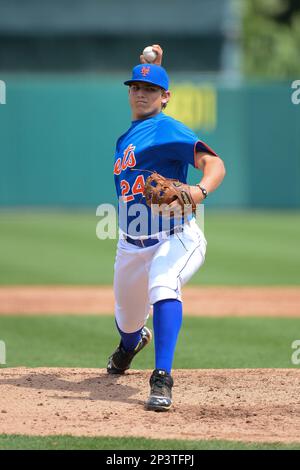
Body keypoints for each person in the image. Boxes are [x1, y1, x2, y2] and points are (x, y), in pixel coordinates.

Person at [107, 45, 226, 412]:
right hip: (130, 244)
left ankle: (162, 377)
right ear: (129, 92)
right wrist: (153, 71)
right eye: (136, 88)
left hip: (175, 235)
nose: (141, 94)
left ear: (165, 98)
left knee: (163, 283)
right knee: (127, 325)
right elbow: (151, 86)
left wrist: (198, 190)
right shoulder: (127, 136)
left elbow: (215, 163)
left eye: (151, 90)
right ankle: (131, 344)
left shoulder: (169, 128)